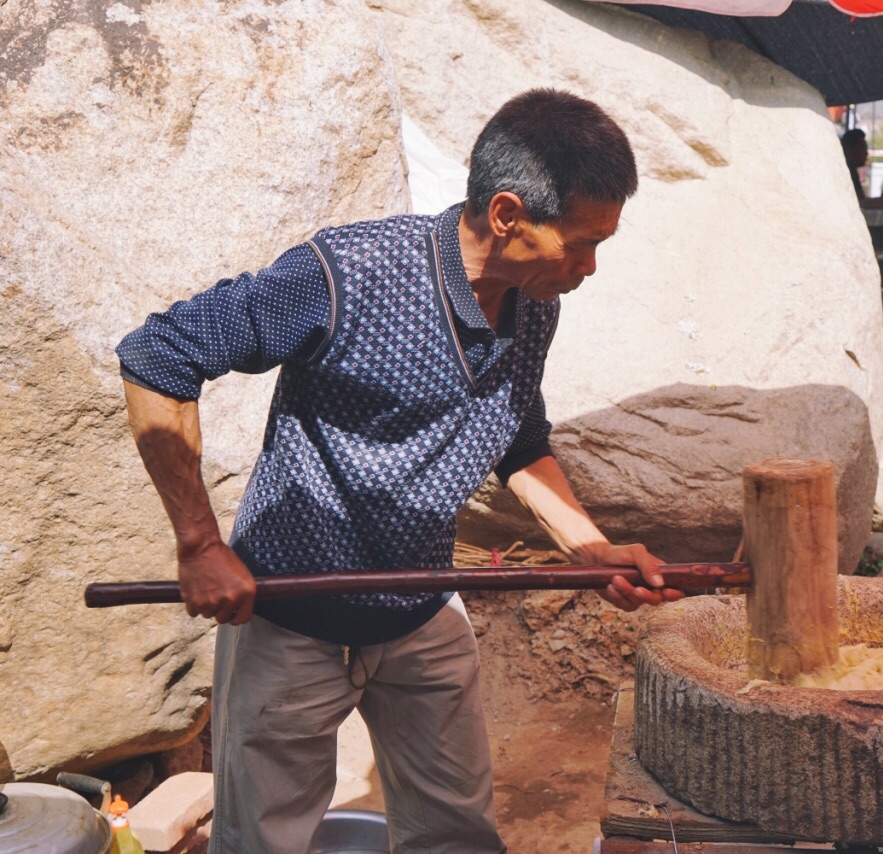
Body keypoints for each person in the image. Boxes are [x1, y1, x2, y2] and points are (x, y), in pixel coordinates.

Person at [114, 89, 681, 852]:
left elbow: (518, 436)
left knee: (457, 833)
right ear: (507, 213)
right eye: (579, 244)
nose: (588, 267)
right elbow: (160, 357)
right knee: (263, 841)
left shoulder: (533, 299)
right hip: (290, 613)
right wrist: (198, 544)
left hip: (421, 606)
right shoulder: (344, 275)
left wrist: (590, 547)